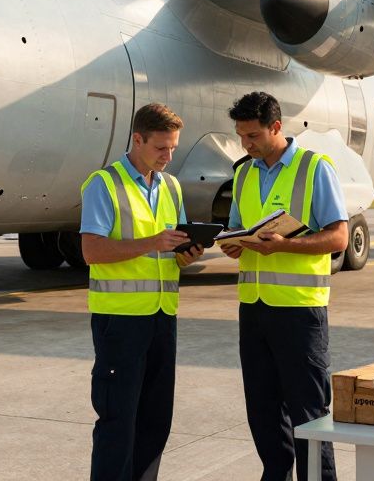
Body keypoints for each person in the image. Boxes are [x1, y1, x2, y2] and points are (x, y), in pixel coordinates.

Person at [220, 91, 349, 481]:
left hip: (299, 310)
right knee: (261, 408)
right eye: (242, 136)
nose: (246, 144)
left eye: (253, 135)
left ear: (276, 127)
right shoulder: (243, 172)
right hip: (254, 308)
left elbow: (339, 237)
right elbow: (238, 230)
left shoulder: (315, 168)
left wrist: (286, 246)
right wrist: (232, 243)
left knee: (308, 412)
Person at [80, 102, 204, 481]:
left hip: (163, 317)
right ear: (137, 138)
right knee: (118, 422)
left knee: (156, 421)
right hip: (120, 321)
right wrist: (153, 242)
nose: (168, 156)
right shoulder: (104, 184)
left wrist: (187, 254)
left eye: (173, 148)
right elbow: (92, 251)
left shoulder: (171, 186)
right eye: (160, 148)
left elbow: (170, 251)